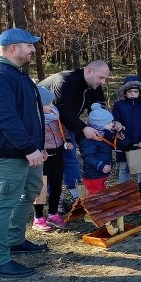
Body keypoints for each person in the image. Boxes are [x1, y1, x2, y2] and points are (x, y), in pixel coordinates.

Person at [0, 28, 47, 278]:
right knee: (4, 201)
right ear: (12, 48)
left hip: (28, 150)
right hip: (9, 151)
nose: (33, 49)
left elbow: (30, 115)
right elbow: (3, 118)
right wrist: (29, 148)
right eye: (29, 45)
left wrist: (38, 147)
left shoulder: (15, 73)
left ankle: (14, 239)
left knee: (29, 192)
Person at [40, 60, 111, 201]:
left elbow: (98, 108)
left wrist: (109, 124)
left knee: (70, 157)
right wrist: (83, 128)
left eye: (105, 78)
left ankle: (77, 196)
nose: (103, 82)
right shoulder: (65, 81)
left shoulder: (94, 85)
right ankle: (47, 197)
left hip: (68, 123)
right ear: (89, 71)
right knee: (48, 162)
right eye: (101, 77)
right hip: (44, 125)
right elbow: (63, 109)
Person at [112, 76, 141, 202]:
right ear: (125, 92)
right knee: (124, 167)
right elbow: (116, 124)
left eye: (136, 92)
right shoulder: (118, 106)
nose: (133, 94)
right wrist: (126, 142)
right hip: (124, 143)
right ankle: (124, 193)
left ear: (140, 92)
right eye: (130, 92)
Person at [33, 86, 70, 231]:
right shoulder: (35, 120)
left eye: (50, 103)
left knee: (56, 186)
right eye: (47, 104)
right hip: (42, 156)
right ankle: (38, 217)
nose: (51, 106)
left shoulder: (55, 114)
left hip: (58, 154)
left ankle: (53, 214)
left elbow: (63, 129)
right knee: (40, 188)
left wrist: (67, 140)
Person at [78, 103, 122, 194]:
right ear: (99, 125)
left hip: (101, 173)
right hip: (93, 175)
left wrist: (117, 139)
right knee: (95, 198)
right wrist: (100, 165)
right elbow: (88, 157)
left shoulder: (104, 135)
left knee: (101, 195)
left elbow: (108, 147)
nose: (112, 125)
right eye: (109, 123)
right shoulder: (89, 140)